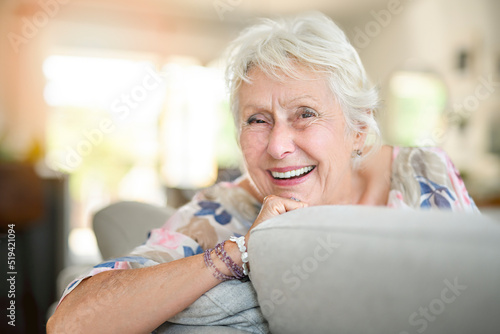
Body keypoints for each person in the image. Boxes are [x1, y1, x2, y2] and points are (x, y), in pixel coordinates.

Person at [47, 12, 478, 334]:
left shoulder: (423, 171)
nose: (277, 146)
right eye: (257, 120)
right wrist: (242, 250)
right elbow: (72, 322)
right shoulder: (222, 210)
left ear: (358, 130)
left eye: (305, 114)